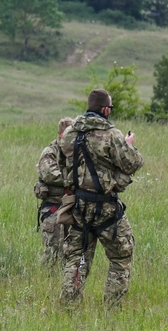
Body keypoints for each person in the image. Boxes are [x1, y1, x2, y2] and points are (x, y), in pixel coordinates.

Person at [57, 89, 143, 309]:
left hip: (77, 207)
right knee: (121, 256)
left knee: (76, 258)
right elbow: (133, 163)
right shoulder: (112, 135)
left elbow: (61, 165)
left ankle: (69, 307)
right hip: (106, 207)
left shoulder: (69, 134)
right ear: (105, 109)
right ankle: (112, 309)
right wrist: (129, 145)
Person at [35, 117, 75, 268]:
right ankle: (45, 278)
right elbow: (50, 174)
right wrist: (73, 180)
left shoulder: (76, 153)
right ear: (60, 134)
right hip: (53, 207)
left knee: (73, 250)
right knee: (52, 250)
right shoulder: (50, 152)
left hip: (72, 207)